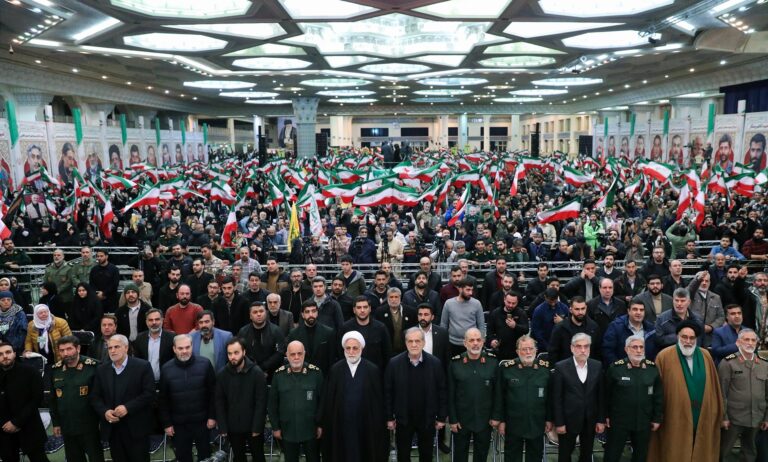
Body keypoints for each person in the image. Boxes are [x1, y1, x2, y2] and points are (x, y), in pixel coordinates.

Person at [648, 320, 724, 462]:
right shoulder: (664, 356)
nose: (688, 341)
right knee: (675, 451)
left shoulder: (706, 355)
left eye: (691, 338)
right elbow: (655, 390)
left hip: (703, 415)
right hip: (674, 417)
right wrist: (655, 416)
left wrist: (720, 414)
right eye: (684, 337)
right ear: (677, 337)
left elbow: (715, 387)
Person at [320, 331, 388, 462]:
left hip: (366, 425)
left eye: (355, 348)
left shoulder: (372, 370)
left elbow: (378, 402)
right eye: (348, 348)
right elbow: (329, 402)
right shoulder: (335, 370)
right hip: (341, 425)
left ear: (361, 348)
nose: (351, 352)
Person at [90, 334, 156, 462]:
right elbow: (95, 397)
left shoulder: (142, 366)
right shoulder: (102, 370)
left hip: (137, 429)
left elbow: (149, 394)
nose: (113, 351)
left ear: (126, 348)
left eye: (116, 347)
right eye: (110, 348)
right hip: (113, 430)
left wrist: (127, 408)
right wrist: (105, 412)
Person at [603, 335, 663, 462]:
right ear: (626, 349)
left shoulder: (652, 369)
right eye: (635, 347)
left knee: (641, 456)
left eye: (641, 347)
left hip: (643, 420)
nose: (639, 350)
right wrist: (605, 415)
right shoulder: (615, 368)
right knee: (612, 455)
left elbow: (658, 396)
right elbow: (605, 395)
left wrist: (657, 418)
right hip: (619, 421)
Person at [493, 335, 552, 462]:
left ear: (536, 350)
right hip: (513, 422)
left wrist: (549, 419)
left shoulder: (545, 369)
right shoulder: (506, 369)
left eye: (531, 348)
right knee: (512, 457)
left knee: (535, 456)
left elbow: (550, 398)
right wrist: (501, 420)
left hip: (537, 422)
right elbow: (499, 397)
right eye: (524, 349)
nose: (528, 352)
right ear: (517, 351)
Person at [158, 334, 217, 462]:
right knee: (183, 457)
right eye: (180, 348)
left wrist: (212, 416)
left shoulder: (205, 364)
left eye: (187, 347)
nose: (184, 351)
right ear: (174, 349)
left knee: (205, 456)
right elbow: (163, 400)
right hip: (178, 425)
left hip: (203, 422)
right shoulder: (166, 369)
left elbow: (213, 393)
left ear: (192, 346)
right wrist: (167, 423)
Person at [551, 333, 605, 462]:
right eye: (579, 346)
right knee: (564, 456)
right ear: (572, 348)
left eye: (586, 346)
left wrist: (600, 420)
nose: (583, 350)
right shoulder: (561, 367)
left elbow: (601, 396)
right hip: (568, 421)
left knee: (587, 455)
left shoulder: (597, 366)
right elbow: (556, 398)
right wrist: (559, 423)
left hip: (590, 420)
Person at [49, 335, 104, 462]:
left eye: (69, 349)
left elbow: (102, 396)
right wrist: (56, 423)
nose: (65, 353)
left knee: (96, 458)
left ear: (78, 348)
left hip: (90, 426)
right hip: (67, 426)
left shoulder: (94, 366)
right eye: (62, 350)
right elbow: (53, 399)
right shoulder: (55, 370)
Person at [447, 327, 497, 462]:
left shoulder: (493, 362)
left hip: (485, 419)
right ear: (465, 343)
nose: (475, 343)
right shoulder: (455, 363)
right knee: (459, 455)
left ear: (483, 342)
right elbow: (450, 394)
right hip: (461, 420)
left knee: (481, 455)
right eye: (471, 340)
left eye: (478, 340)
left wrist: (495, 416)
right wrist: (453, 419)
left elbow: (497, 393)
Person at [268, 341, 323, 462]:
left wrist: (320, 425)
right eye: (292, 354)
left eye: (299, 353)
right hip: (287, 430)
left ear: (304, 354)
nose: (296, 357)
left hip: (311, 429)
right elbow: (272, 405)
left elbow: (322, 402)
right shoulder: (278, 375)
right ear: (287, 355)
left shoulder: (316, 373)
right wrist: (275, 427)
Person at [718, 328, 768, 461]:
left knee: (750, 452)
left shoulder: (764, 364)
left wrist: (766, 418)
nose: (750, 343)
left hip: (756, 417)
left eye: (753, 340)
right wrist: (723, 417)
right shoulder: (728, 363)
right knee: (724, 451)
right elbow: (721, 392)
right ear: (738, 342)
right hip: (734, 418)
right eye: (746, 339)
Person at [215, 337, 268, 462]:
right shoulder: (222, 374)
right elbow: (219, 402)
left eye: (236, 352)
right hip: (233, 427)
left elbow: (261, 402)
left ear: (244, 352)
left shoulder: (257, 373)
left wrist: (257, 427)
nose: (232, 357)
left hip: (253, 426)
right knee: (238, 458)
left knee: (258, 457)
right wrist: (223, 427)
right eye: (229, 353)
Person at [0, 341, 49, 462]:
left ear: (14, 353)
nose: (5, 356)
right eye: (0, 354)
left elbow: (36, 399)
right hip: (4, 430)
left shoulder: (30, 372)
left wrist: (16, 422)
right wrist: (7, 424)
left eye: (8, 352)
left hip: (30, 426)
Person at [602, 298, 657, 365]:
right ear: (628, 311)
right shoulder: (616, 327)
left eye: (641, 310)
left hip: (645, 367)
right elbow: (608, 351)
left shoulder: (651, 329)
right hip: (622, 368)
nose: (638, 312)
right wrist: (618, 367)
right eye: (635, 309)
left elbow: (655, 351)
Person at [286, 300, 336, 374]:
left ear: (317, 313)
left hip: (323, 375)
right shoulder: (294, 334)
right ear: (302, 315)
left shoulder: (329, 332)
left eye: (313, 311)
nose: (311, 314)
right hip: (301, 375)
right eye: (307, 312)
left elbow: (332, 359)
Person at [237, 302, 286, 378]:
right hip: (249, 372)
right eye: (255, 312)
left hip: (273, 373)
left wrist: (263, 367)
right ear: (250, 316)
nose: (259, 314)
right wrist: (255, 369)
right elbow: (241, 352)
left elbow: (280, 353)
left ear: (266, 313)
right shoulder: (243, 332)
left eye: (261, 311)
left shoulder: (276, 331)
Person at [549, 296, 601, 364]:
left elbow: (598, 351)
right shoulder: (560, 328)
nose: (580, 312)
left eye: (583, 309)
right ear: (571, 310)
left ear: (586, 308)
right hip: (565, 367)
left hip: (588, 367)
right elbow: (553, 352)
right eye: (577, 309)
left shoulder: (593, 327)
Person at [441, 279, 486, 357]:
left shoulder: (477, 304)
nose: (470, 293)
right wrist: (444, 342)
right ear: (460, 289)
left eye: (471, 290)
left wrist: (481, 342)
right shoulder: (449, 303)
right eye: (468, 290)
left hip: (472, 343)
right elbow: (444, 324)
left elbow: (481, 325)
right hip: (453, 344)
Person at [131, 308, 175, 383]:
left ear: (162, 320)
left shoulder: (172, 337)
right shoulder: (139, 338)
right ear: (146, 322)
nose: (154, 323)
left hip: (167, 381)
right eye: (150, 320)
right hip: (145, 381)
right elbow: (137, 361)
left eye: (157, 319)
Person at [486, 291, 529, 360]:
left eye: (513, 303)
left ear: (517, 302)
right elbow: (489, 330)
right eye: (508, 302)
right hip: (500, 350)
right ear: (504, 300)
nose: (511, 305)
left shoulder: (521, 313)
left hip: (517, 351)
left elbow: (526, 330)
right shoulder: (495, 313)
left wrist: (515, 326)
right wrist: (492, 340)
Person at [89, 249, 120, 313]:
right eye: (98, 256)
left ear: (106, 256)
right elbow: (91, 283)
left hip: (111, 300)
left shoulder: (114, 269)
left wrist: (103, 293)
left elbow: (115, 284)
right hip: (97, 299)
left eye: (101, 256)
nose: (99, 258)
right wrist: (97, 293)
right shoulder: (94, 269)